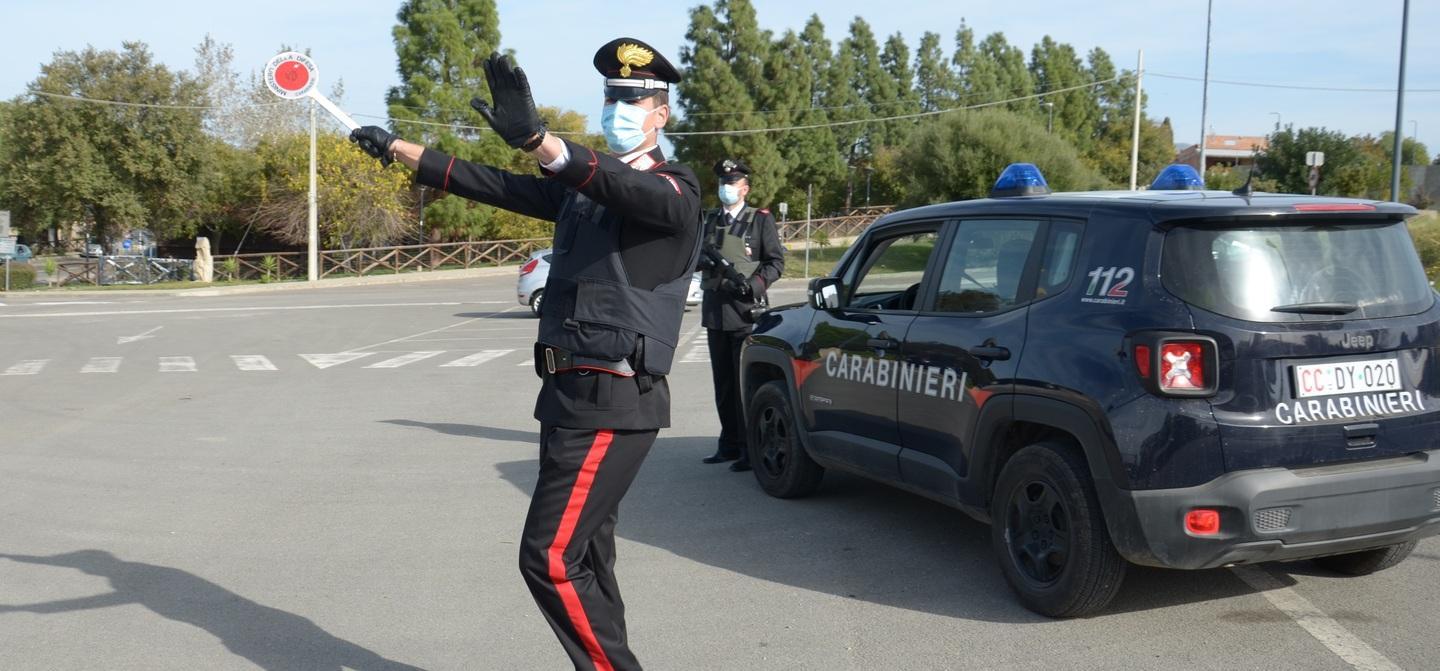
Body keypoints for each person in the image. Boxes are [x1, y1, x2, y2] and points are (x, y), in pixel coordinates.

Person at [349, 38, 700, 671]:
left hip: (614, 396)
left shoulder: (675, 190)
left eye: (635, 99)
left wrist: (543, 141)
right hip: (566, 393)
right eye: (611, 99)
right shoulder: (582, 189)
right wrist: (398, 148)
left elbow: (625, 188)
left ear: (662, 114)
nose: (619, 108)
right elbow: (496, 186)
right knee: (588, 556)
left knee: (548, 556)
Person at [697, 159, 785, 472]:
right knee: (723, 385)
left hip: (746, 314)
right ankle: (729, 444)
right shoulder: (709, 219)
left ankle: (750, 448)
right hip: (715, 313)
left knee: (744, 385)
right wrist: (702, 263)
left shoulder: (760, 220)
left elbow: (775, 262)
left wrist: (754, 285)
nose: (726, 187)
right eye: (723, 181)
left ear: (744, 188)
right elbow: (695, 257)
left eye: (732, 182)